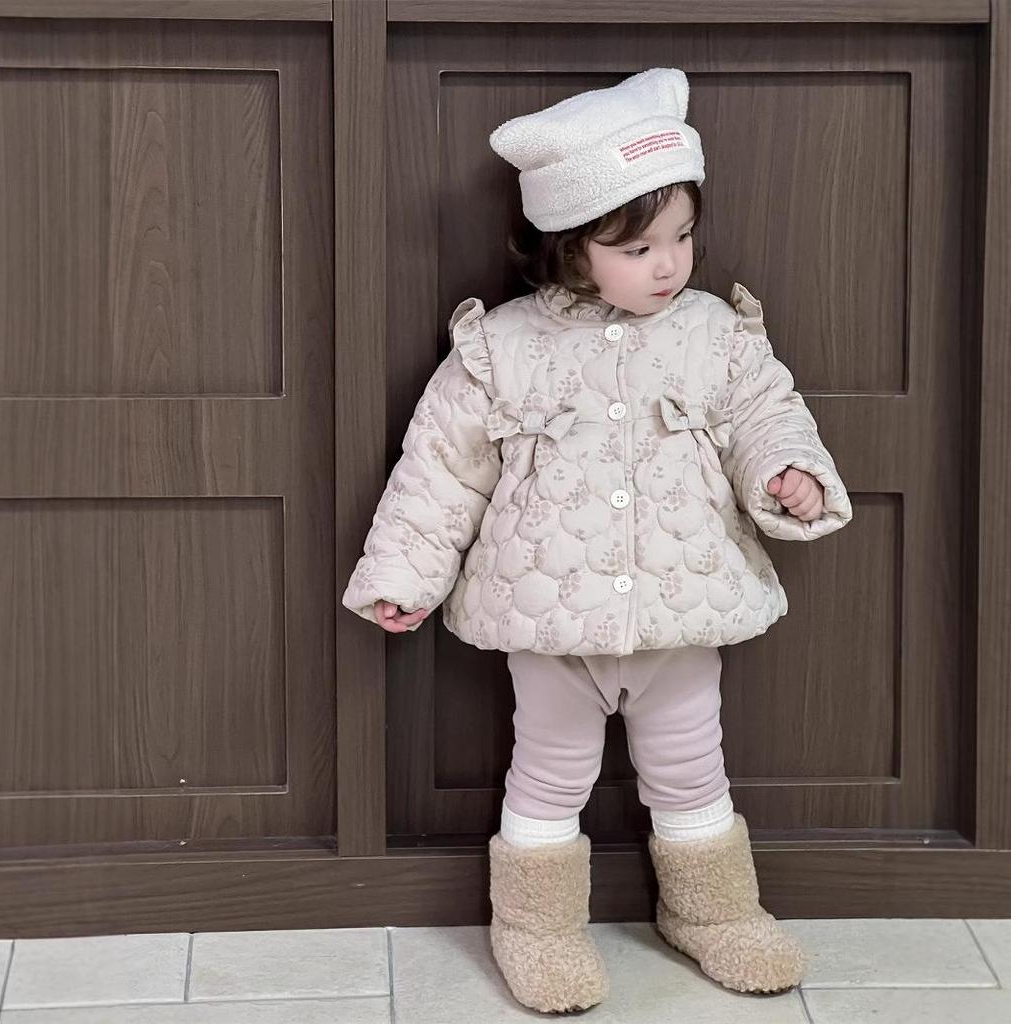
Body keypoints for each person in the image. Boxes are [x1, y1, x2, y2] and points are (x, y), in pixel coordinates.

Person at [342, 67, 852, 1014]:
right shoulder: (502, 347)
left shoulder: (714, 335)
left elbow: (766, 413)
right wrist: (405, 574)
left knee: (692, 765)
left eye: (683, 237)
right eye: (638, 247)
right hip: (553, 623)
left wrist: (789, 473)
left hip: (679, 610)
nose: (669, 265)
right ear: (572, 247)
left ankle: (712, 911)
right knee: (548, 770)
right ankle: (535, 927)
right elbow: (442, 468)